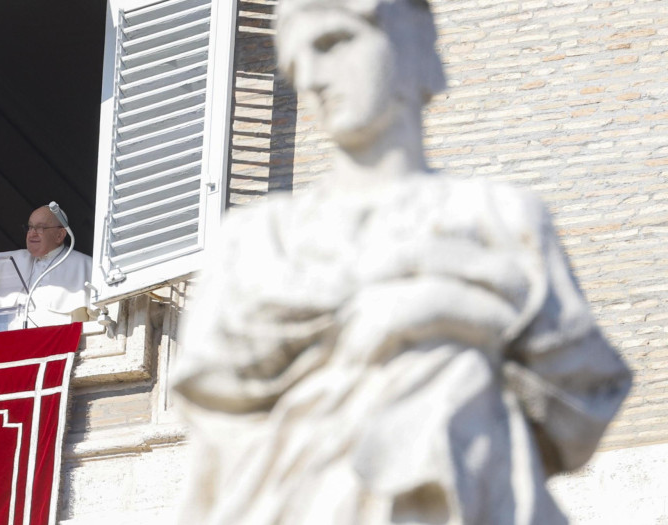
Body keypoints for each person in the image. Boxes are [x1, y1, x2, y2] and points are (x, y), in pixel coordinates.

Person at [170, 0, 631, 523]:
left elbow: (586, 394)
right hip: (298, 499)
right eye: (297, 65)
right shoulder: (254, 239)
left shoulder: (500, 217)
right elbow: (211, 405)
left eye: (333, 42)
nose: (314, 79)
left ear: (409, 45)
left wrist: (450, 308)